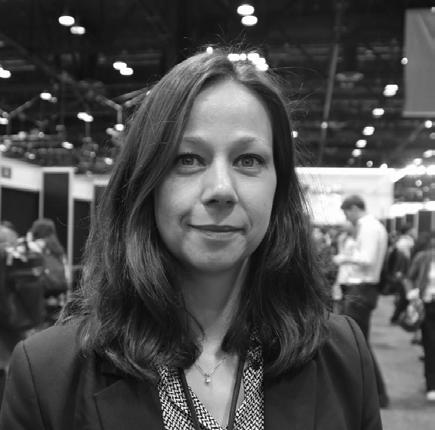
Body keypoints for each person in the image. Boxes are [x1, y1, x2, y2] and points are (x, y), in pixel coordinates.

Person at [0, 48, 382, 429]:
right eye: (188, 159)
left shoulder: (344, 357)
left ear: (278, 187)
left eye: (248, 160)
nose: (221, 189)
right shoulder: (47, 376)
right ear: (145, 184)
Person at [333, 194, 389, 408]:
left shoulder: (369, 227)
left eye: (346, 213)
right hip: (360, 290)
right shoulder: (369, 227)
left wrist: (342, 258)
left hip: (361, 290)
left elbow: (367, 258)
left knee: (356, 344)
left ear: (354, 208)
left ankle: (377, 395)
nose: (347, 218)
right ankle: (372, 394)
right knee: (356, 343)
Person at [405, 234, 435, 401]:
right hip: (428, 305)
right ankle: (431, 384)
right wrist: (412, 294)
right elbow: (409, 277)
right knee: (431, 345)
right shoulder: (423, 257)